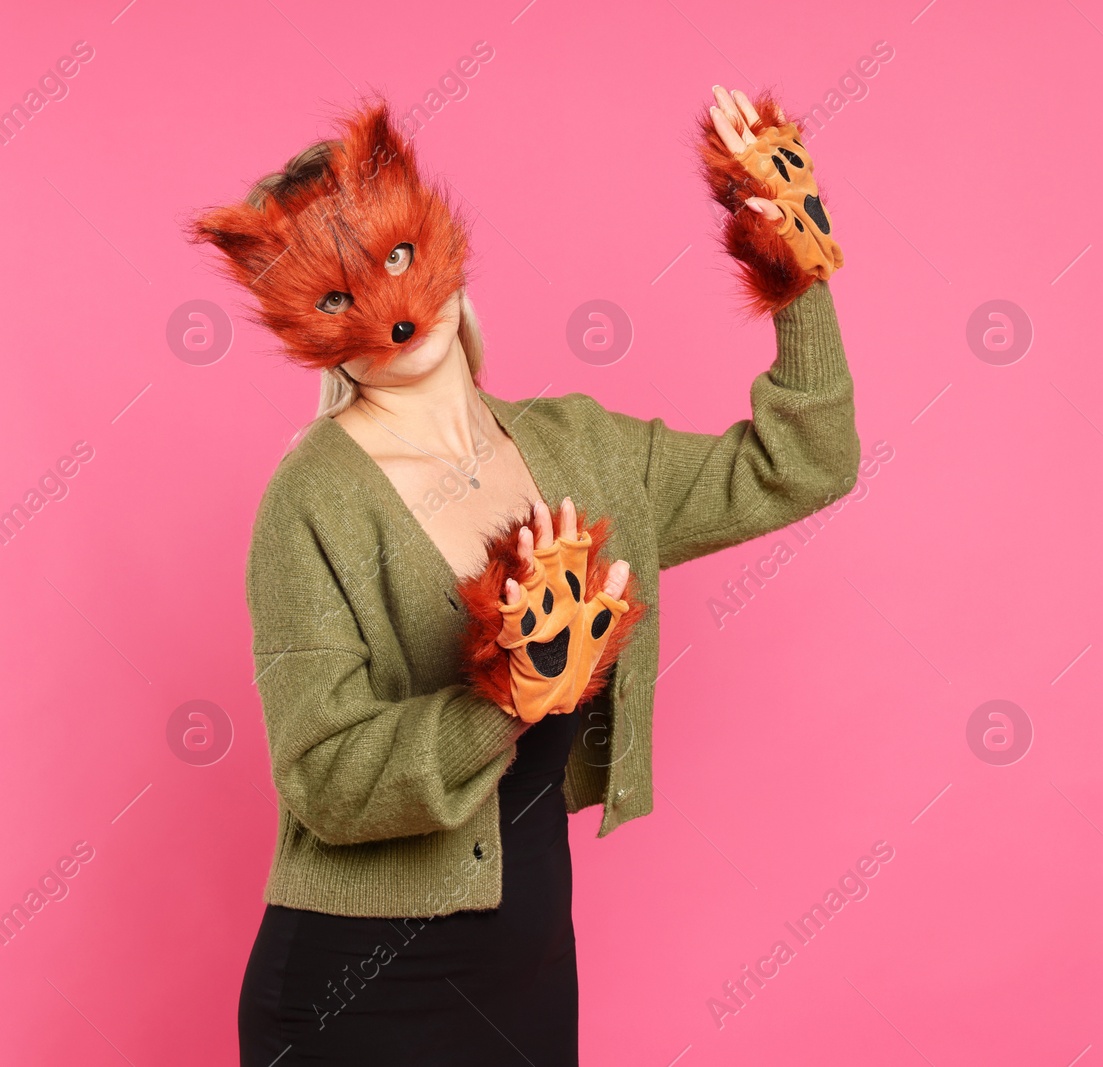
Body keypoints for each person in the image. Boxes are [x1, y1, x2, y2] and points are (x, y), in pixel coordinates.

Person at [188, 84, 859, 1064]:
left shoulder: (583, 451)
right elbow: (326, 780)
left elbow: (801, 464)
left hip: (531, 975)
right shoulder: (312, 500)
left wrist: (794, 278)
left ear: (440, 239)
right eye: (338, 296)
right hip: (353, 993)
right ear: (302, 321)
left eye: (396, 258)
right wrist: (507, 691)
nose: (393, 314)